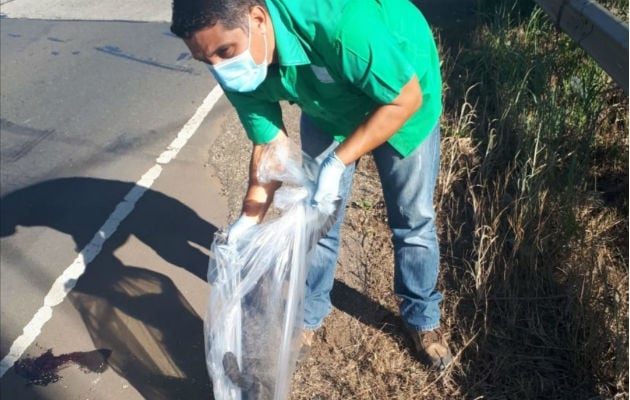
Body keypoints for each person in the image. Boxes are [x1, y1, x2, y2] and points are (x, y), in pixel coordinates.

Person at [171, 0, 453, 370]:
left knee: (412, 219)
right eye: (207, 61)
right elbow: (269, 147)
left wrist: (337, 163)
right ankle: (309, 314)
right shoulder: (234, 65)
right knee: (317, 220)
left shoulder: (342, 26)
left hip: (403, 95)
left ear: (257, 19)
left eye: (226, 52)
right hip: (329, 106)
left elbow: (405, 98)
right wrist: (248, 220)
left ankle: (422, 319)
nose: (221, 69)